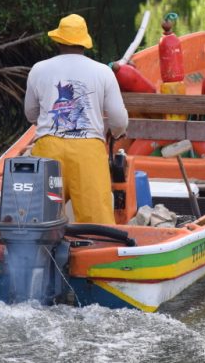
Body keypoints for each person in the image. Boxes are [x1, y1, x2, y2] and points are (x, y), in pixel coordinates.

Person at [24, 14, 128, 224]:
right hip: (88, 153)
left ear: (58, 40)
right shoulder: (103, 72)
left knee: (40, 221)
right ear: (85, 43)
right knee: (97, 226)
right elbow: (118, 119)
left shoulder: (38, 69)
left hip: (47, 150)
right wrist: (116, 133)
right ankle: (95, 254)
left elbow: (30, 114)